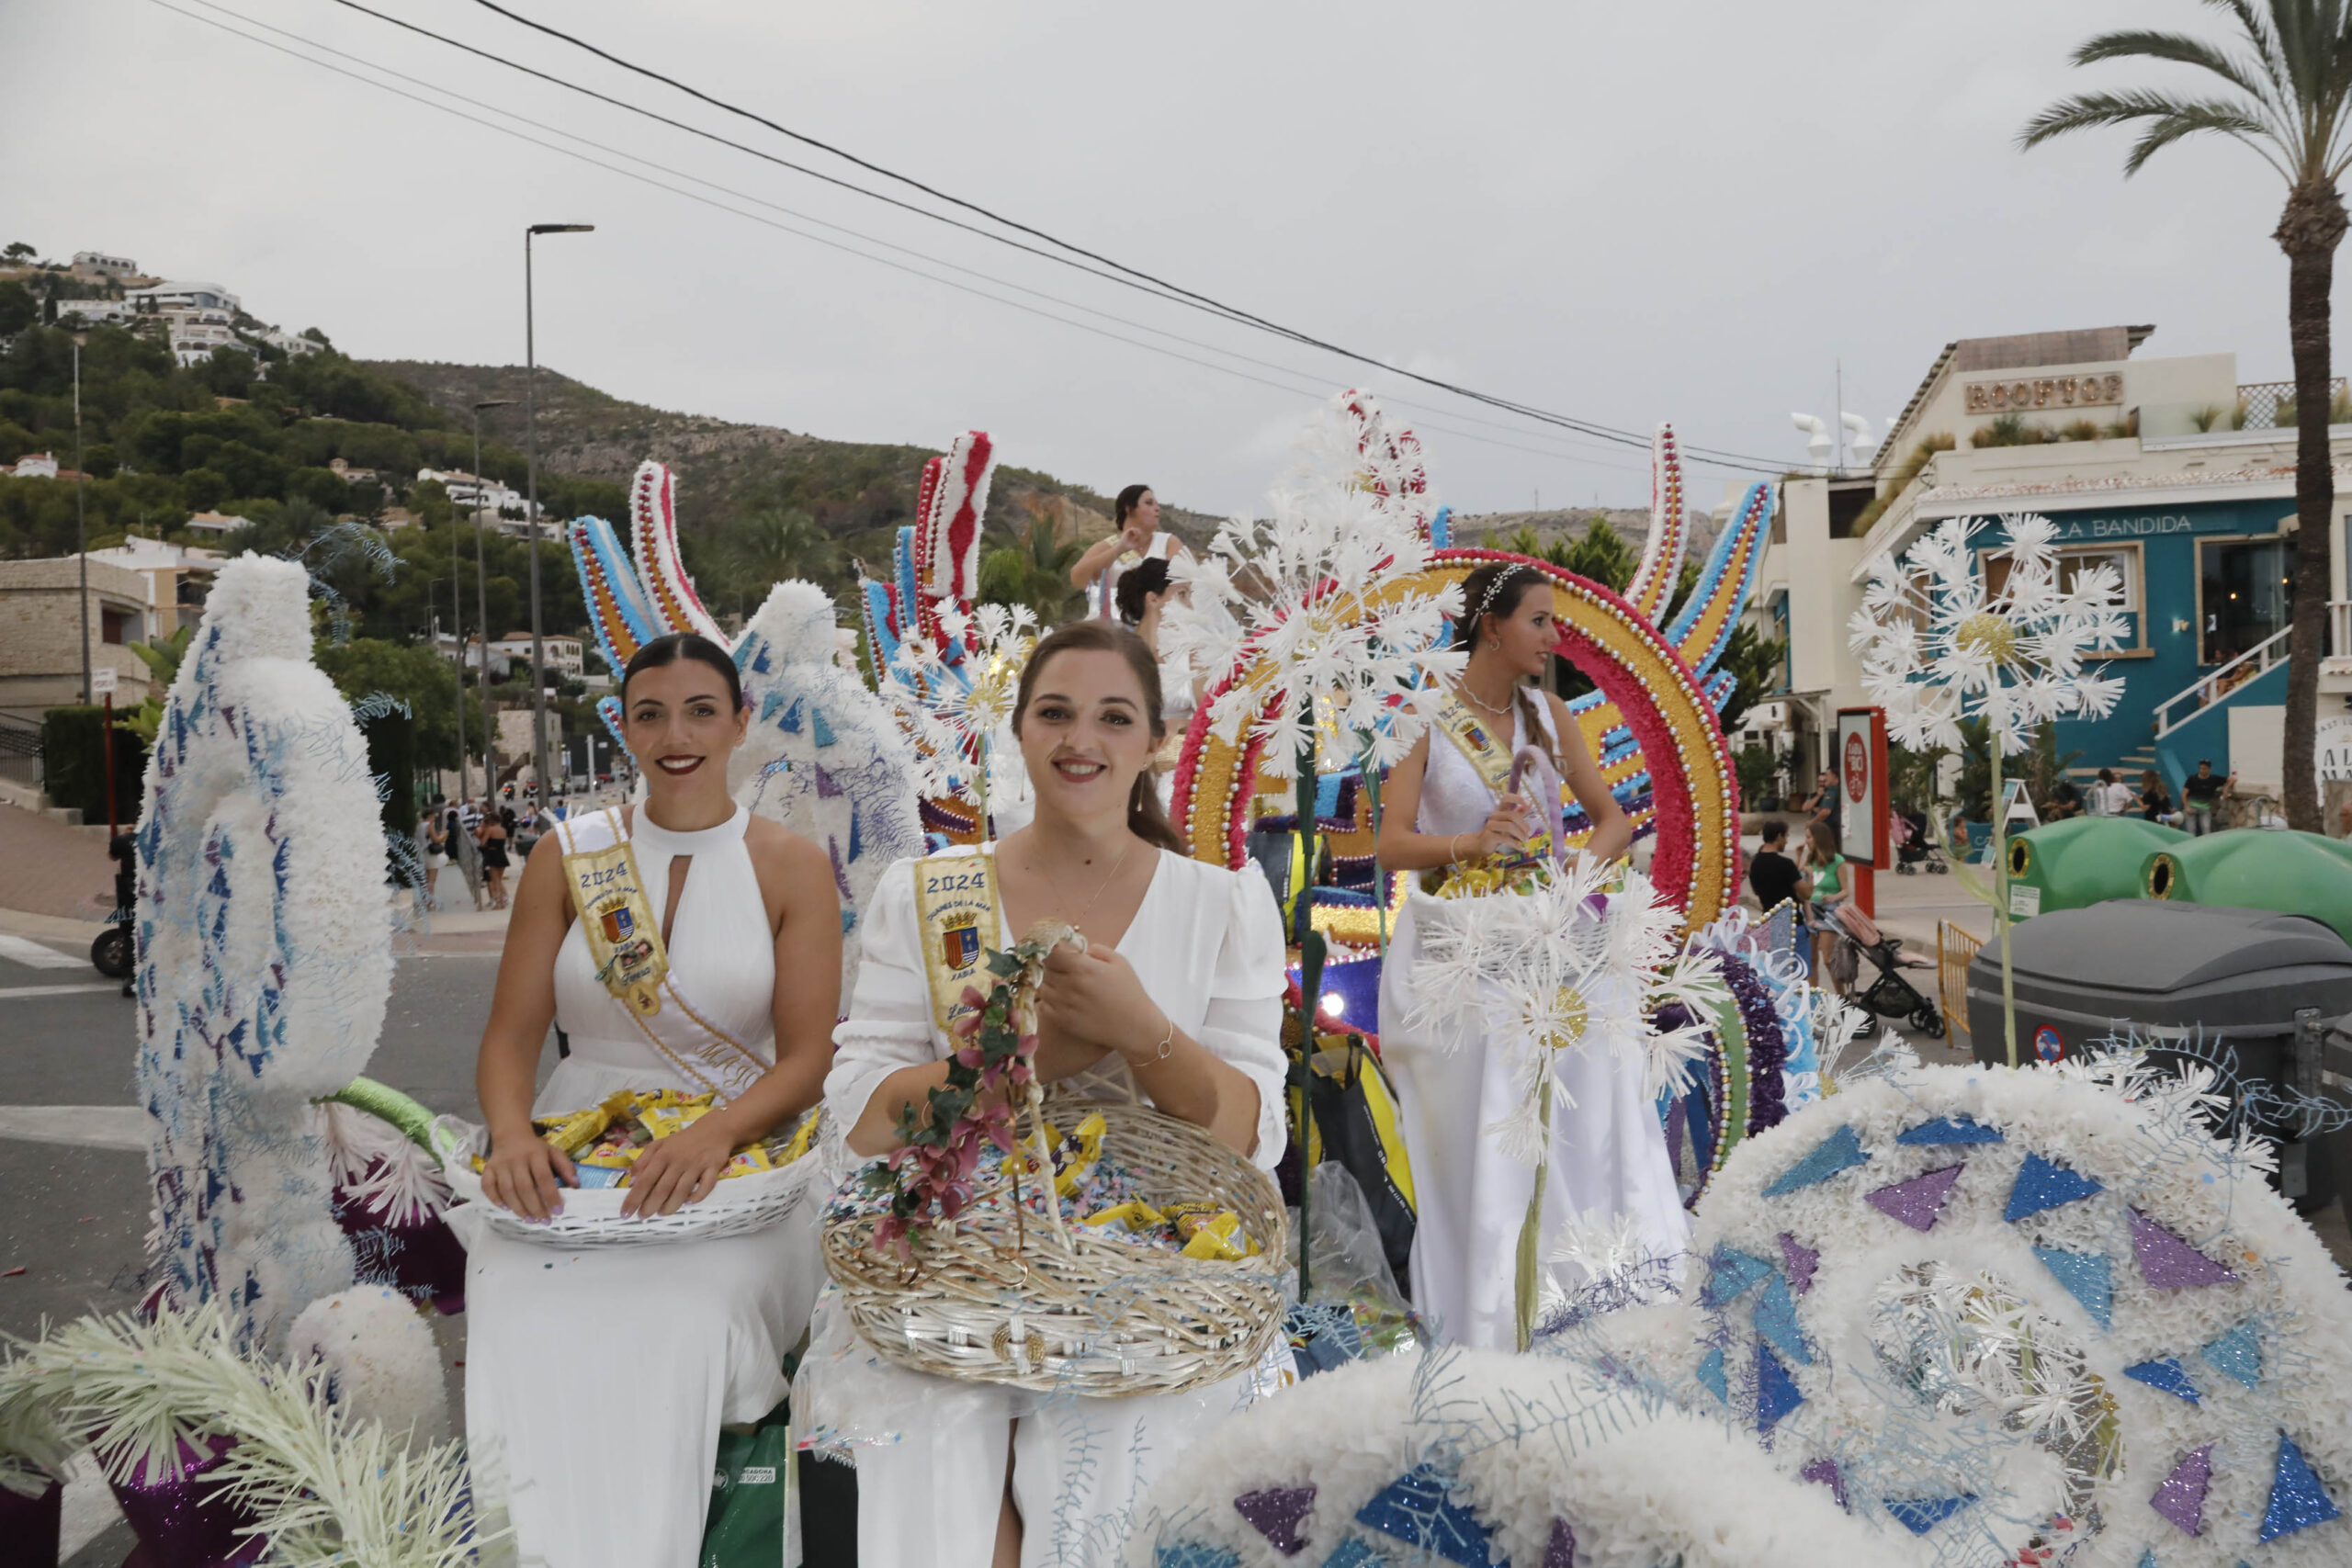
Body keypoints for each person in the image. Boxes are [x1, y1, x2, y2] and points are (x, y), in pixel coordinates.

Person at [803, 618, 1286, 1567]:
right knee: (926, 1441)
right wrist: (1010, 1063)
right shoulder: (925, 892)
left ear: (1154, 741)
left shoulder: (1220, 904)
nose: (1082, 740)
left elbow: (1248, 1139)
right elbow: (855, 1114)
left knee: (1116, 1455)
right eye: (1055, 713)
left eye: (1114, 718)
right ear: (1017, 729)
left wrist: (1139, 1027)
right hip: (941, 1262)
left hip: (1154, 1282)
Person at [456, 632, 843, 1568]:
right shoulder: (566, 856)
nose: (677, 734)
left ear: (740, 723)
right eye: (651, 713)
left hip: (739, 1152)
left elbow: (805, 1061)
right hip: (573, 1150)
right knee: (517, 1304)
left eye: (701, 711)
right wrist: (510, 1133)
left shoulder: (790, 866)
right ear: (623, 727)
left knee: (691, 1313)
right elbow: (510, 1039)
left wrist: (718, 1132)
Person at [1369, 560, 1671, 1351]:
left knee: (1589, 1098)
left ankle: (1583, 1293)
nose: (1553, 636)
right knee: (1485, 1135)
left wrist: (1571, 874)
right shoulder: (1424, 716)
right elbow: (1392, 841)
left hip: (1544, 948)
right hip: (1460, 960)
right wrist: (1472, 841)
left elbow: (1614, 822)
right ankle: (1488, 1304)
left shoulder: (1550, 714)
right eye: (1539, 620)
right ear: (1492, 626)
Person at [1114, 554, 1201, 808]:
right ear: (1153, 599)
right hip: (1128, 765)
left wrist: (1181, 722)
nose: (1191, 606)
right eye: (1182, 594)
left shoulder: (1193, 653)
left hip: (1177, 767)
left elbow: (1213, 715)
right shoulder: (1118, 653)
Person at [1071, 483, 1182, 621]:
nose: (1157, 508)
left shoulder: (1169, 543)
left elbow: (1180, 581)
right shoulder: (1106, 546)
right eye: (1149, 503)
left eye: (1157, 504)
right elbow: (1078, 578)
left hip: (1159, 622)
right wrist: (1118, 549)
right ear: (1129, 509)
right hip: (1114, 625)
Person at [1797, 819, 1849, 992]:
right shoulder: (1808, 860)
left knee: (1828, 958)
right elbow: (1798, 881)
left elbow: (1846, 890)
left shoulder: (1837, 861)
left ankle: (1841, 996)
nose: (1807, 841)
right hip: (1810, 910)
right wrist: (1800, 856)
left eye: (1809, 837)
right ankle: (1814, 998)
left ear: (1819, 838)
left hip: (1829, 912)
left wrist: (1833, 897)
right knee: (1811, 959)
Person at [1747, 818, 1811, 915]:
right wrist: (1811, 876)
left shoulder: (1754, 862)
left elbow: (1755, 891)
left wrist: (1798, 856)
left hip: (1768, 920)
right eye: (1786, 836)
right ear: (1779, 836)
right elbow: (1807, 894)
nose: (1786, 841)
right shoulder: (1786, 864)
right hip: (1790, 922)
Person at [2183, 760, 2233, 835]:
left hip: (2205, 808)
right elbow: (2184, 794)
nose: (2202, 771)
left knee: (2206, 829)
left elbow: (2232, 779)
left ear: (2210, 769)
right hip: (2191, 808)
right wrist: (2186, 806)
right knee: (2191, 830)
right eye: (2200, 768)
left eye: (2204, 769)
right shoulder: (2192, 779)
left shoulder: (2214, 779)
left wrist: (2226, 788)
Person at [477, 807, 513, 909]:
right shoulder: (503, 830)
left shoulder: (490, 830)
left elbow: (483, 843)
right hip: (502, 855)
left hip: (492, 855)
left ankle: (498, 903)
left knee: (494, 880)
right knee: (499, 879)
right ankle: (502, 901)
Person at [415, 805, 447, 907]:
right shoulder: (429, 825)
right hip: (430, 852)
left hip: (421, 852)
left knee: (425, 878)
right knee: (431, 879)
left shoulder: (419, 825)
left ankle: (424, 899)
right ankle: (429, 901)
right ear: (430, 816)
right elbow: (436, 839)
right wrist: (443, 835)